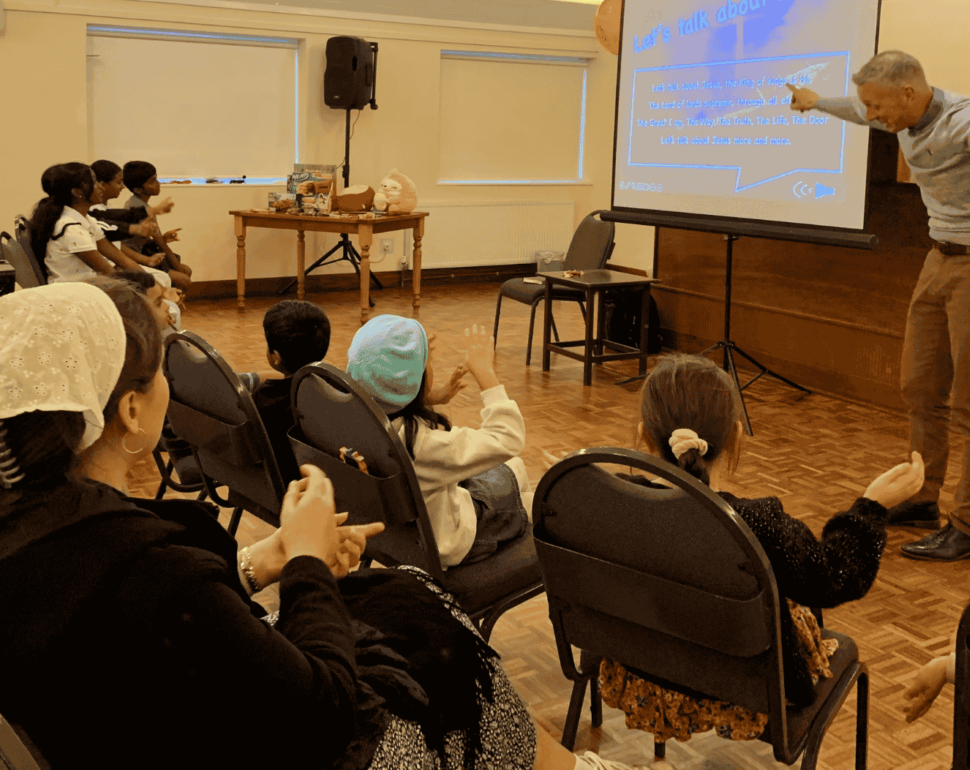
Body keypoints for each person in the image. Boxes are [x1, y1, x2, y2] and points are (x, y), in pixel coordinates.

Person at [0, 281, 665, 770]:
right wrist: (308, 567)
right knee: (452, 661)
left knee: (405, 592)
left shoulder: (43, 530)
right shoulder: (156, 568)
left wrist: (268, 557)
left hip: (158, 720)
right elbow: (323, 715)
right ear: (132, 410)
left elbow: (170, 616)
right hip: (288, 739)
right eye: (160, 374)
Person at [597, 352, 924, 747]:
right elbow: (834, 576)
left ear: (644, 436)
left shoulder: (608, 504)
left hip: (640, 671)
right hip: (746, 688)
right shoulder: (755, 524)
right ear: (736, 437)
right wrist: (872, 507)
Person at [789, 50, 970, 562]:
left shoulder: (968, 119)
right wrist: (815, 101)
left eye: (878, 106)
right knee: (920, 386)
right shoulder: (898, 112)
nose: (872, 116)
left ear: (909, 93)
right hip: (940, 256)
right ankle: (921, 497)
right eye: (869, 106)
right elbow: (856, 110)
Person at [346, 316, 532, 569]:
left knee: (513, 469)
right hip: (448, 543)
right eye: (428, 363)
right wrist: (484, 370)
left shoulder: (349, 419)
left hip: (392, 533)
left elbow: (381, 395)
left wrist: (429, 397)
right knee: (522, 476)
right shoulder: (420, 445)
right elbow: (508, 436)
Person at [28, 162, 164, 284]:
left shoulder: (87, 220)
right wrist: (152, 289)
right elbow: (108, 273)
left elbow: (122, 260)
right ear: (77, 192)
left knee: (154, 287)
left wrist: (158, 289)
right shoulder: (72, 229)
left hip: (91, 285)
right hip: (76, 293)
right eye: (94, 182)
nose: (100, 186)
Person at [252, 299, 333, 482]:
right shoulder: (335, 391)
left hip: (284, 483)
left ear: (276, 357)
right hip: (324, 480)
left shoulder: (265, 397)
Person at [122, 159, 192, 292]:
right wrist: (179, 270)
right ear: (137, 189)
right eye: (152, 181)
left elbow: (154, 240)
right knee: (184, 278)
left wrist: (164, 238)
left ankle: (171, 301)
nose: (158, 184)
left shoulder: (134, 202)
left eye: (156, 179)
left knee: (186, 271)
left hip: (142, 252)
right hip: (135, 258)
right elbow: (162, 245)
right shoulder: (142, 210)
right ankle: (169, 300)